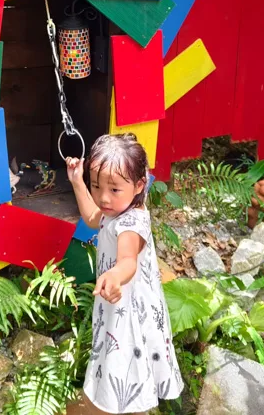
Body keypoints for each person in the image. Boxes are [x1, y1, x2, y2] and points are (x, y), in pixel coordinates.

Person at [66, 133, 184, 414]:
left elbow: (128, 260)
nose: (103, 197)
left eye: (114, 189)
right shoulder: (116, 208)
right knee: (119, 360)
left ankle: (113, 406)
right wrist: (77, 182)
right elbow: (93, 218)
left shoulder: (132, 222)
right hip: (117, 302)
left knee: (123, 363)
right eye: (97, 186)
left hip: (129, 309)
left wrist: (115, 276)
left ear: (139, 185)